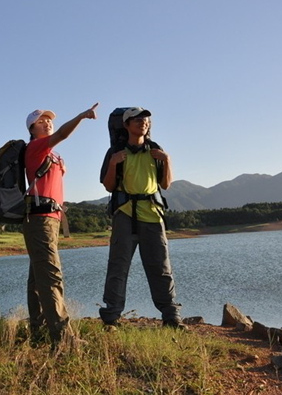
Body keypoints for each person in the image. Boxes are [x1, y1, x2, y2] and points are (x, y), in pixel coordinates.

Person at [98, 107, 185, 329]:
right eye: (136, 120)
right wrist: (113, 163)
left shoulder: (156, 151)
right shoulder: (116, 152)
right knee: (118, 266)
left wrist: (167, 160)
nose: (142, 122)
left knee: (160, 266)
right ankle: (112, 317)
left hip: (153, 214)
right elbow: (109, 185)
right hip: (125, 214)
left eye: (145, 119)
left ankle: (171, 317)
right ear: (126, 125)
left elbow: (165, 184)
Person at [23, 103, 98, 348]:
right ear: (31, 129)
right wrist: (82, 115)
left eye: (49, 120)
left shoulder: (53, 155)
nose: (47, 122)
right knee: (51, 275)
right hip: (40, 219)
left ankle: (39, 332)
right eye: (41, 121)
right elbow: (63, 134)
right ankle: (64, 338)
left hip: (52, 219)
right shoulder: (36, 147)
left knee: (38, 278)